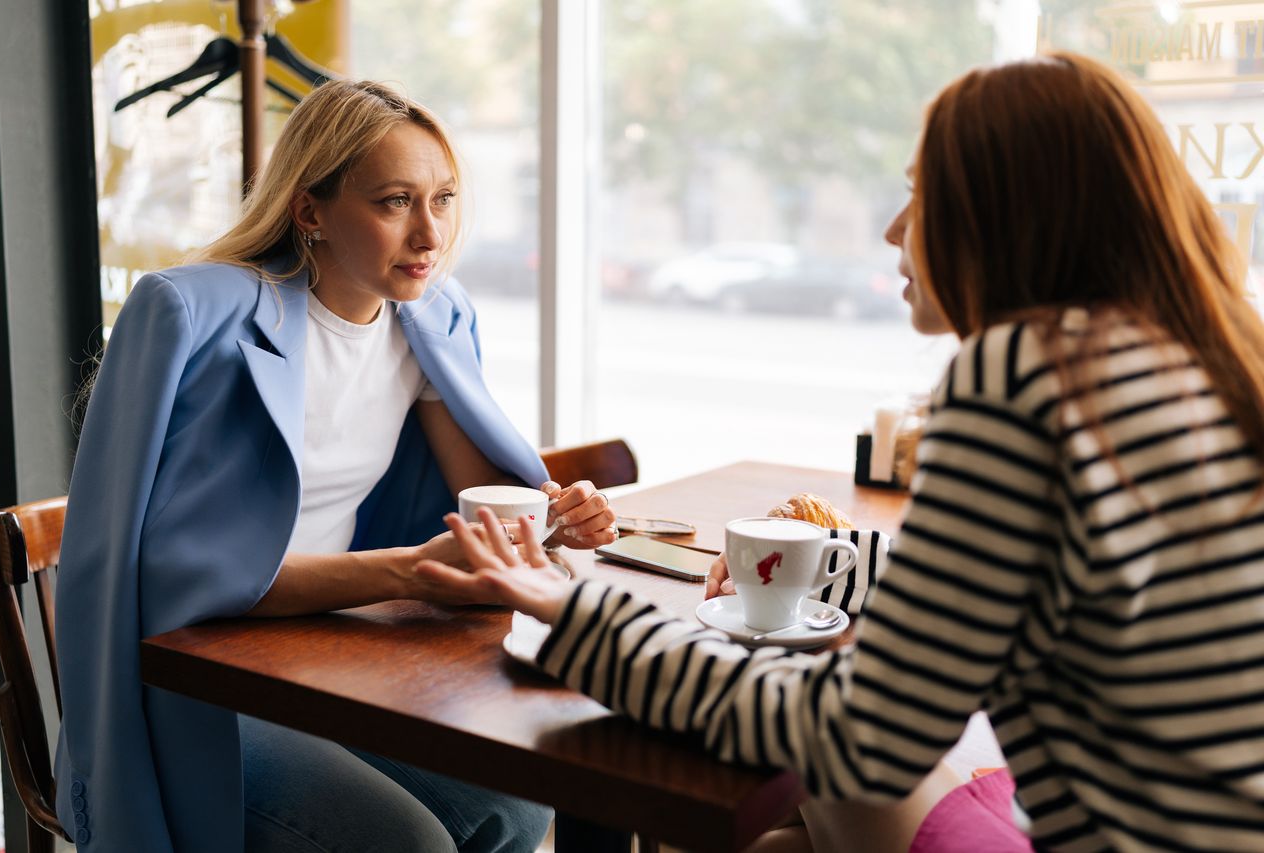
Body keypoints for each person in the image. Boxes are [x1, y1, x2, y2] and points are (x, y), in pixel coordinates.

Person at [415, 52, 1264, 851]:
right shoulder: (1189, 359)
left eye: (920, 195)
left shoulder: (1025, 374)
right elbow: (1038, 583)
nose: (895, 230)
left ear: (1004, 217)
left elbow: (861, 737)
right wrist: (832, 563)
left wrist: (573, 614)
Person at [55, 80, 617, 852]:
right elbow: (187, 580)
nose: (430, 235)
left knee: (515, 809)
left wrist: (557, 514)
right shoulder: (193, 317)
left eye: (443, 199)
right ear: (309, 209)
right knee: (407, 841)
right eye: (394, 202)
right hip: (202, 679)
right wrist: (408, 570)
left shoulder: (428, 316)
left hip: (328, 652)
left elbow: (486, 498)